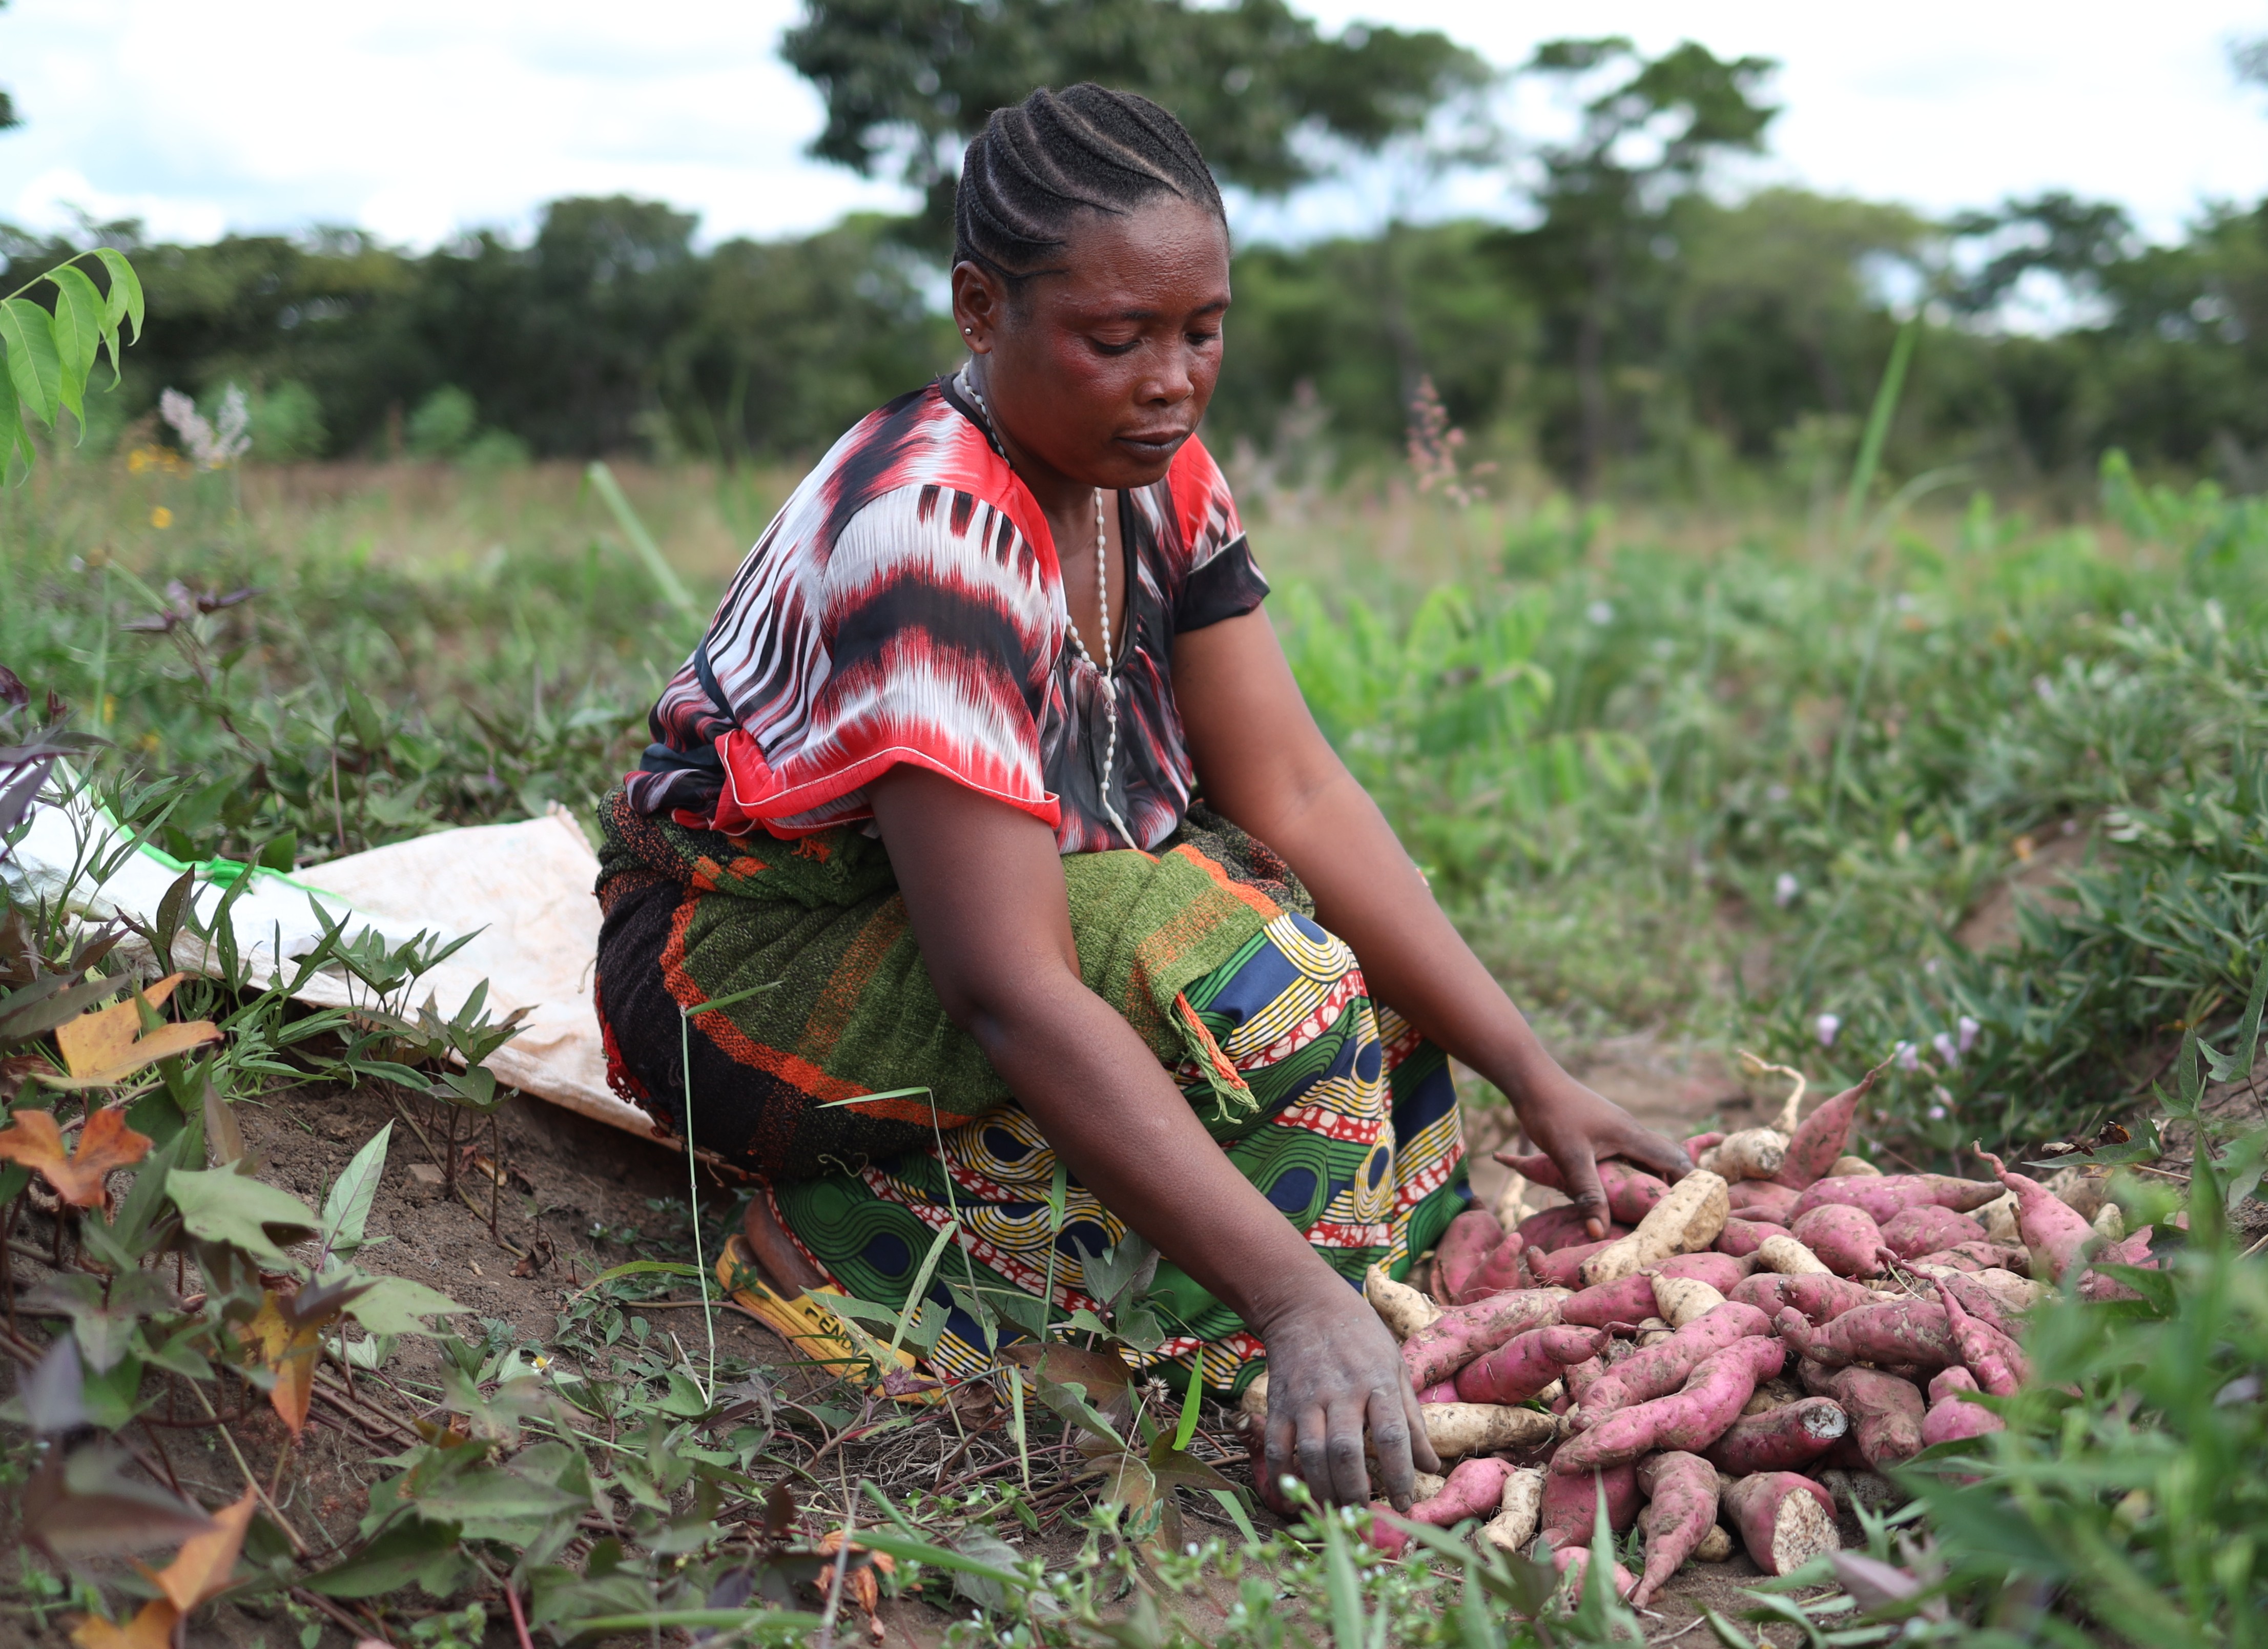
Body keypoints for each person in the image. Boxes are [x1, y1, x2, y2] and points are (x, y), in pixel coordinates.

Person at [591, 83, 1687, 1512]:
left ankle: (1341, 1316)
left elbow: (1292, 786)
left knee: (1353, 965)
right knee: (1255, 980)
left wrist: (1533, 1076)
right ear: (981, 309)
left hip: (969, 920)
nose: (1170, 378)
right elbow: (1005, 989)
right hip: (747, 976)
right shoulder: (930, 526)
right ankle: (869, 1254)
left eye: (1201, 331)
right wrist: (1292, 1300)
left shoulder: (1156, 480)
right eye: (1116, 339)